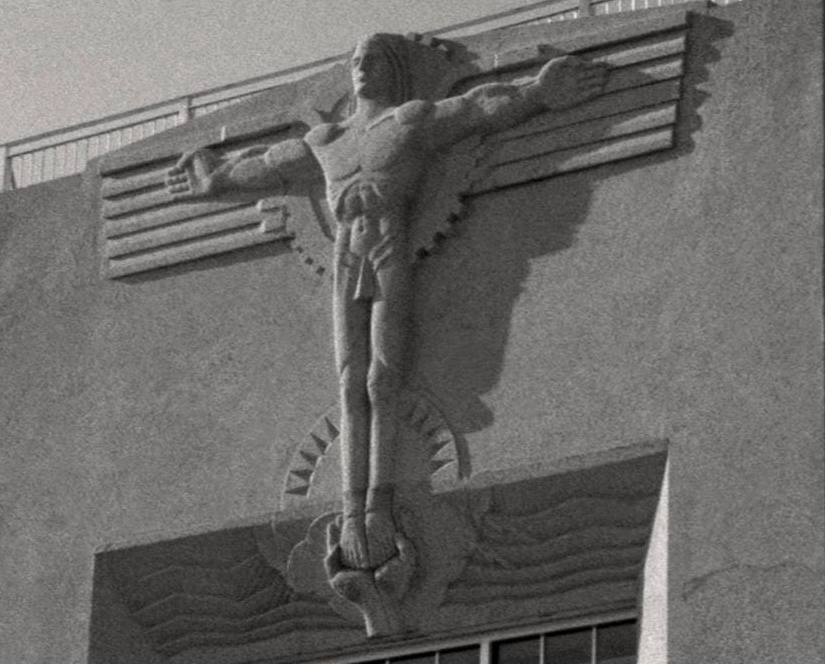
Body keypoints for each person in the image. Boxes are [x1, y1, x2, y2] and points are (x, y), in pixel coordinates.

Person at [170, 33, 604, 615]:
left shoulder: (409, 121)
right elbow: (265, 165)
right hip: (346, 251)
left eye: (372, 60)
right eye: (355, 60)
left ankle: (378, 502)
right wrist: (216, 178)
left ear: (392, 69)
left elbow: (477, 107)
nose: (361, 68)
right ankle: (353, 508)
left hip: (388, 245)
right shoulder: (325, 140)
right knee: (350, 379)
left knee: (381, 377)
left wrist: (538, 92)